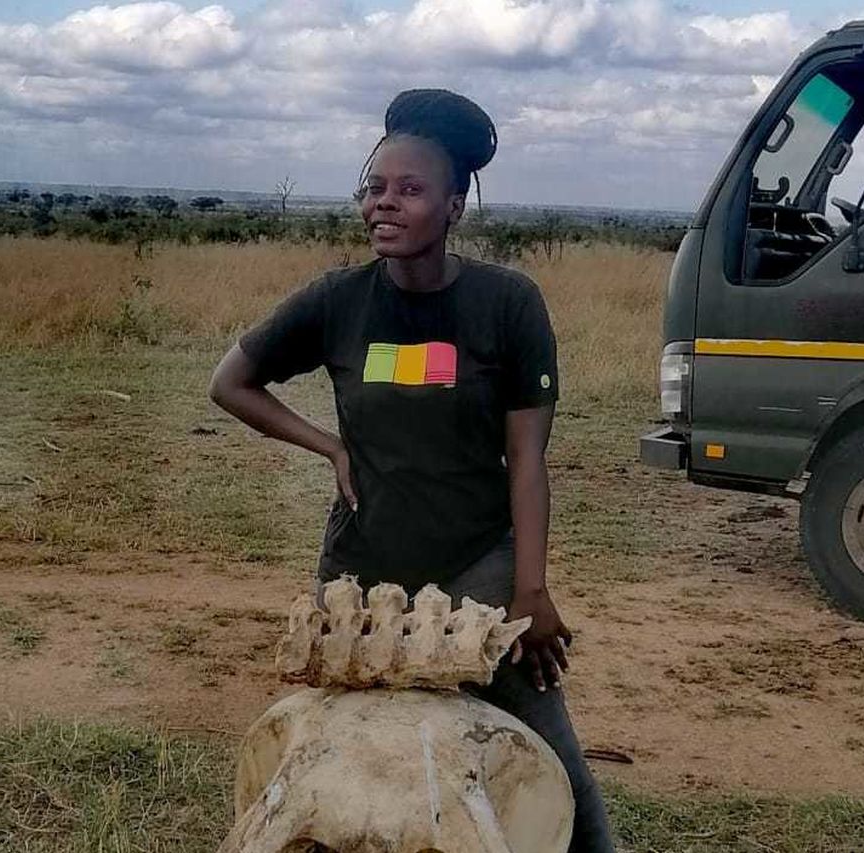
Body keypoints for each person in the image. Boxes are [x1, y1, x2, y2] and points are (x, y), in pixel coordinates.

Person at [209, 88, 614, 852]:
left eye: (409, 189)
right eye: (374, 187)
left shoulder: (507, 304)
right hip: (359, 570)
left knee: (551, 760)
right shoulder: (337, 300)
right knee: (332, 761)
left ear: (456, 205)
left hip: (480, 571)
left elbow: (527, 458)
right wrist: (328, 444)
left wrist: (531, 590)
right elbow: (230, 383)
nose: (382, 204)